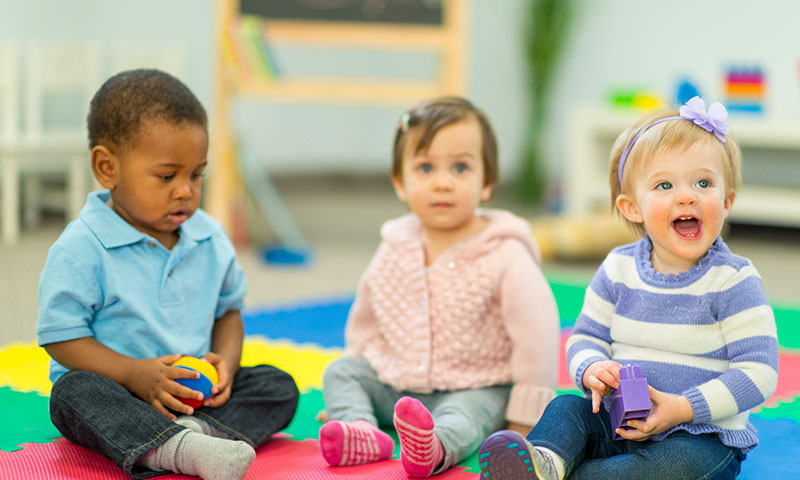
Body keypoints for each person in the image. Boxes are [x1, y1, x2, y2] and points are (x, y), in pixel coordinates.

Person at [478, 96, 779, 480]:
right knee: (566, 409)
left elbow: (759, 372)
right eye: (665, 185)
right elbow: (584, 336)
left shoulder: (734, 280)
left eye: (703, 182)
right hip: (617, 423)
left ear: (727, 201)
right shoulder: (618, 268)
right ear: (631, 207)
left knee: (681, 466)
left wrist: (682, 408)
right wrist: (591, 368)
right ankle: (548, 463)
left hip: (699, 435)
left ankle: (577, 474)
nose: (687, 195)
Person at [36, 69, 299, 480]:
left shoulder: (209, 236)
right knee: (72, 395)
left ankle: (187, 436)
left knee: (278, 385)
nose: (185, 191)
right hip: (119, 390)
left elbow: (228, 312)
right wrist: (135, 374)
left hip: (194, 394)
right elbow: (61, 337)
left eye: (196, 175)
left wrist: (227, 364)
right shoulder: (81, 247)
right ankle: (180, 447)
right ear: (107, 168)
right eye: (166, 176)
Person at [318, 96, 560, 477]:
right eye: (426, 167)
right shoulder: (394, 244)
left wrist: (526, 415)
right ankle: (362, 430)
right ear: (401, 182)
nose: (443, 183)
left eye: (461, 167)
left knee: (467, 416)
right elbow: (367, 315)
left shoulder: (505, 253)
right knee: (340, 372)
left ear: (487, 183)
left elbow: (538, 336)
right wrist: (350, 391)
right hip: (397, 384)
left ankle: (434, 447)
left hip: (476, 385)